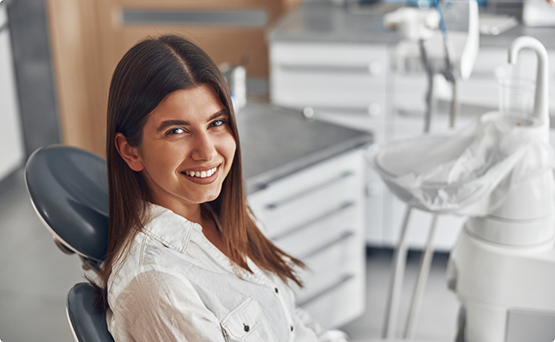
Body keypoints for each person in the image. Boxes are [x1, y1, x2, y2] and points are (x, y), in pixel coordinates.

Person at [96, 34, 349, 341]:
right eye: (177, 131)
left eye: (216, 123)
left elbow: (289, 319)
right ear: (130, 151)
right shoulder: (156, 285)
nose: (207, 152)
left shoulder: (226, 215)